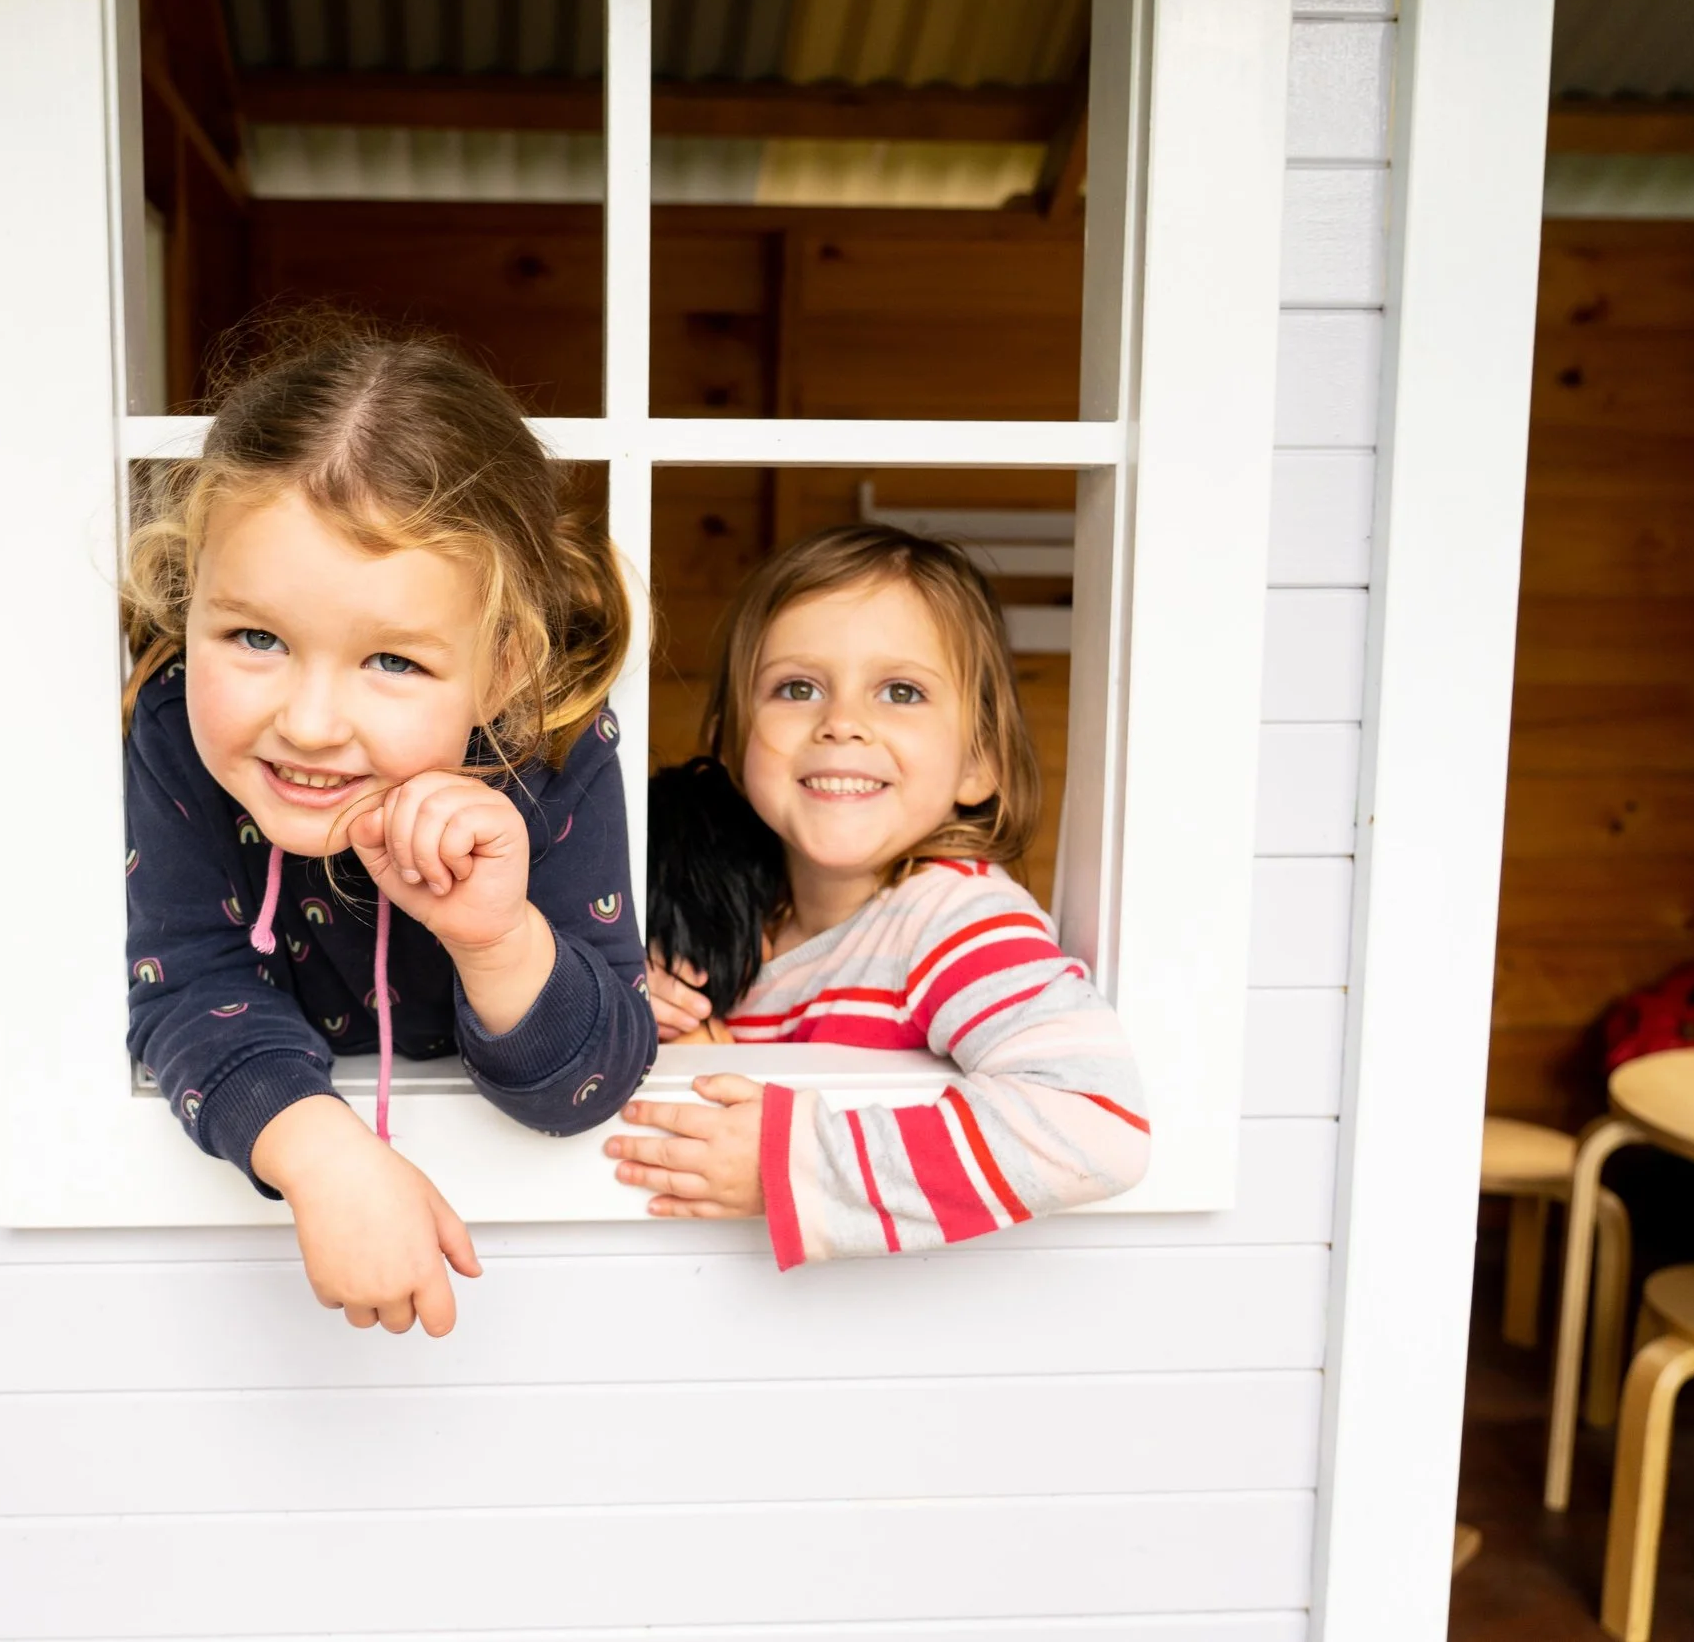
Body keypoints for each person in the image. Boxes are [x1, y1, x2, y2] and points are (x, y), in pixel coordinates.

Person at [123, 324, 652, 1336]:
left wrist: (496, 938)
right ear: (191, 609)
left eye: (393, 661)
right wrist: (321, 1154)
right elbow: (186, 982)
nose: (312, 722)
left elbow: (597, 1072)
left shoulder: (549, 752)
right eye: (256, 637)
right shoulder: (177, 726)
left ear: (501, 670)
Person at [613, 525, 1147, 1267]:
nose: (842, 723)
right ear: (734, 746)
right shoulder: (738, 920)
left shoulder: (952, 919)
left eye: (902, 691)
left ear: (979, 762)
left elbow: (1095, 1122)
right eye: (798, 688)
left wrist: (790, 1163)